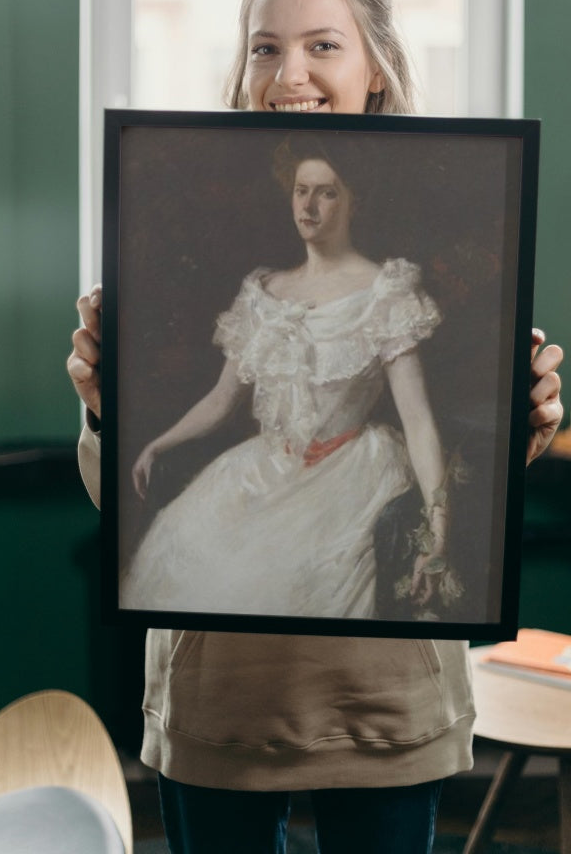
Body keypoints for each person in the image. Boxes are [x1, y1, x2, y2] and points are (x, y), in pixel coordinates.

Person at [68, 0, 564, 854]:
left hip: (378, 696)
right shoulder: (235, 267)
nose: (288, 71)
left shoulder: (396, 280)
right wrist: (114, 417)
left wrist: (521, 431)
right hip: (220, 696)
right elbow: (157, 468)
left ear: (375, 66)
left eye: (322, 45)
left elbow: (431, 435)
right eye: (265, 46)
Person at [122, 136, 454, 619]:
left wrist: (438, 529)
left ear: (353, 200)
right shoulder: (265, 293)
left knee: (280, 581)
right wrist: (158, 444)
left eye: (327, 192)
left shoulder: (384, 292)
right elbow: (221, 399)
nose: (309, 206)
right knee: (192, 560)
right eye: (302, 190)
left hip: (346, 475)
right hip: (264, 468)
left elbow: (419, 420)